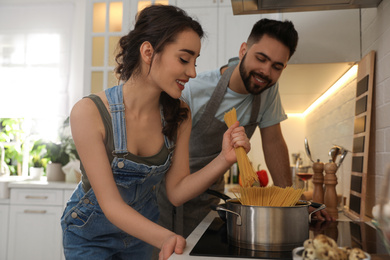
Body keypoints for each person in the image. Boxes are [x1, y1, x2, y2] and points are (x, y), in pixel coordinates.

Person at [60, 5, 250, 260]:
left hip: (142, 236)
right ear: (148, 52)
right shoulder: (89, 113)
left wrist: (224, 159)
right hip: (90, 237)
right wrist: (165, 236)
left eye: (195, 62)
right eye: (184, 59)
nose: (192, 72)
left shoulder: (179, 113)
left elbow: (176, 191)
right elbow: (112, 206)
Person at [157, 18, 334, 239]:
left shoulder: (268, 90)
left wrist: (292, 203)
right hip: (169, 200)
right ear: (243, 50)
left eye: (277, 67)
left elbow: (273, 143)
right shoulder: (194, 90)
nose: (266, 72)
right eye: (261, 58)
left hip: (208, 200)